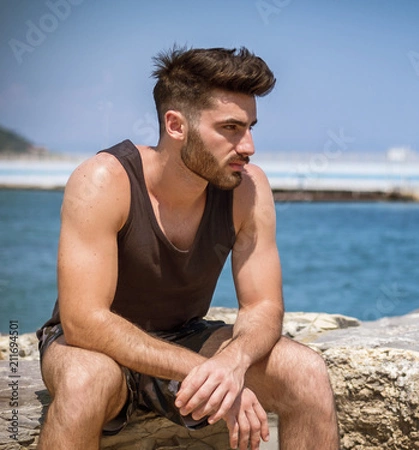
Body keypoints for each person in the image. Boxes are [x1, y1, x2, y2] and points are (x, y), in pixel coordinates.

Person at [36, 46, 339, 450]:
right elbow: (83, 321)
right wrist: (203, 370)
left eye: (250, 127)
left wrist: (232, 363)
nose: (248, 146)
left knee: (306, 372)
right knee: (83, 382)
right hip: (94, 349)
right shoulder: (104, 180)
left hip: (184, 336)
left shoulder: (248, 189)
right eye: (230, 128)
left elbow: (262, 306)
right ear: (176, 125)